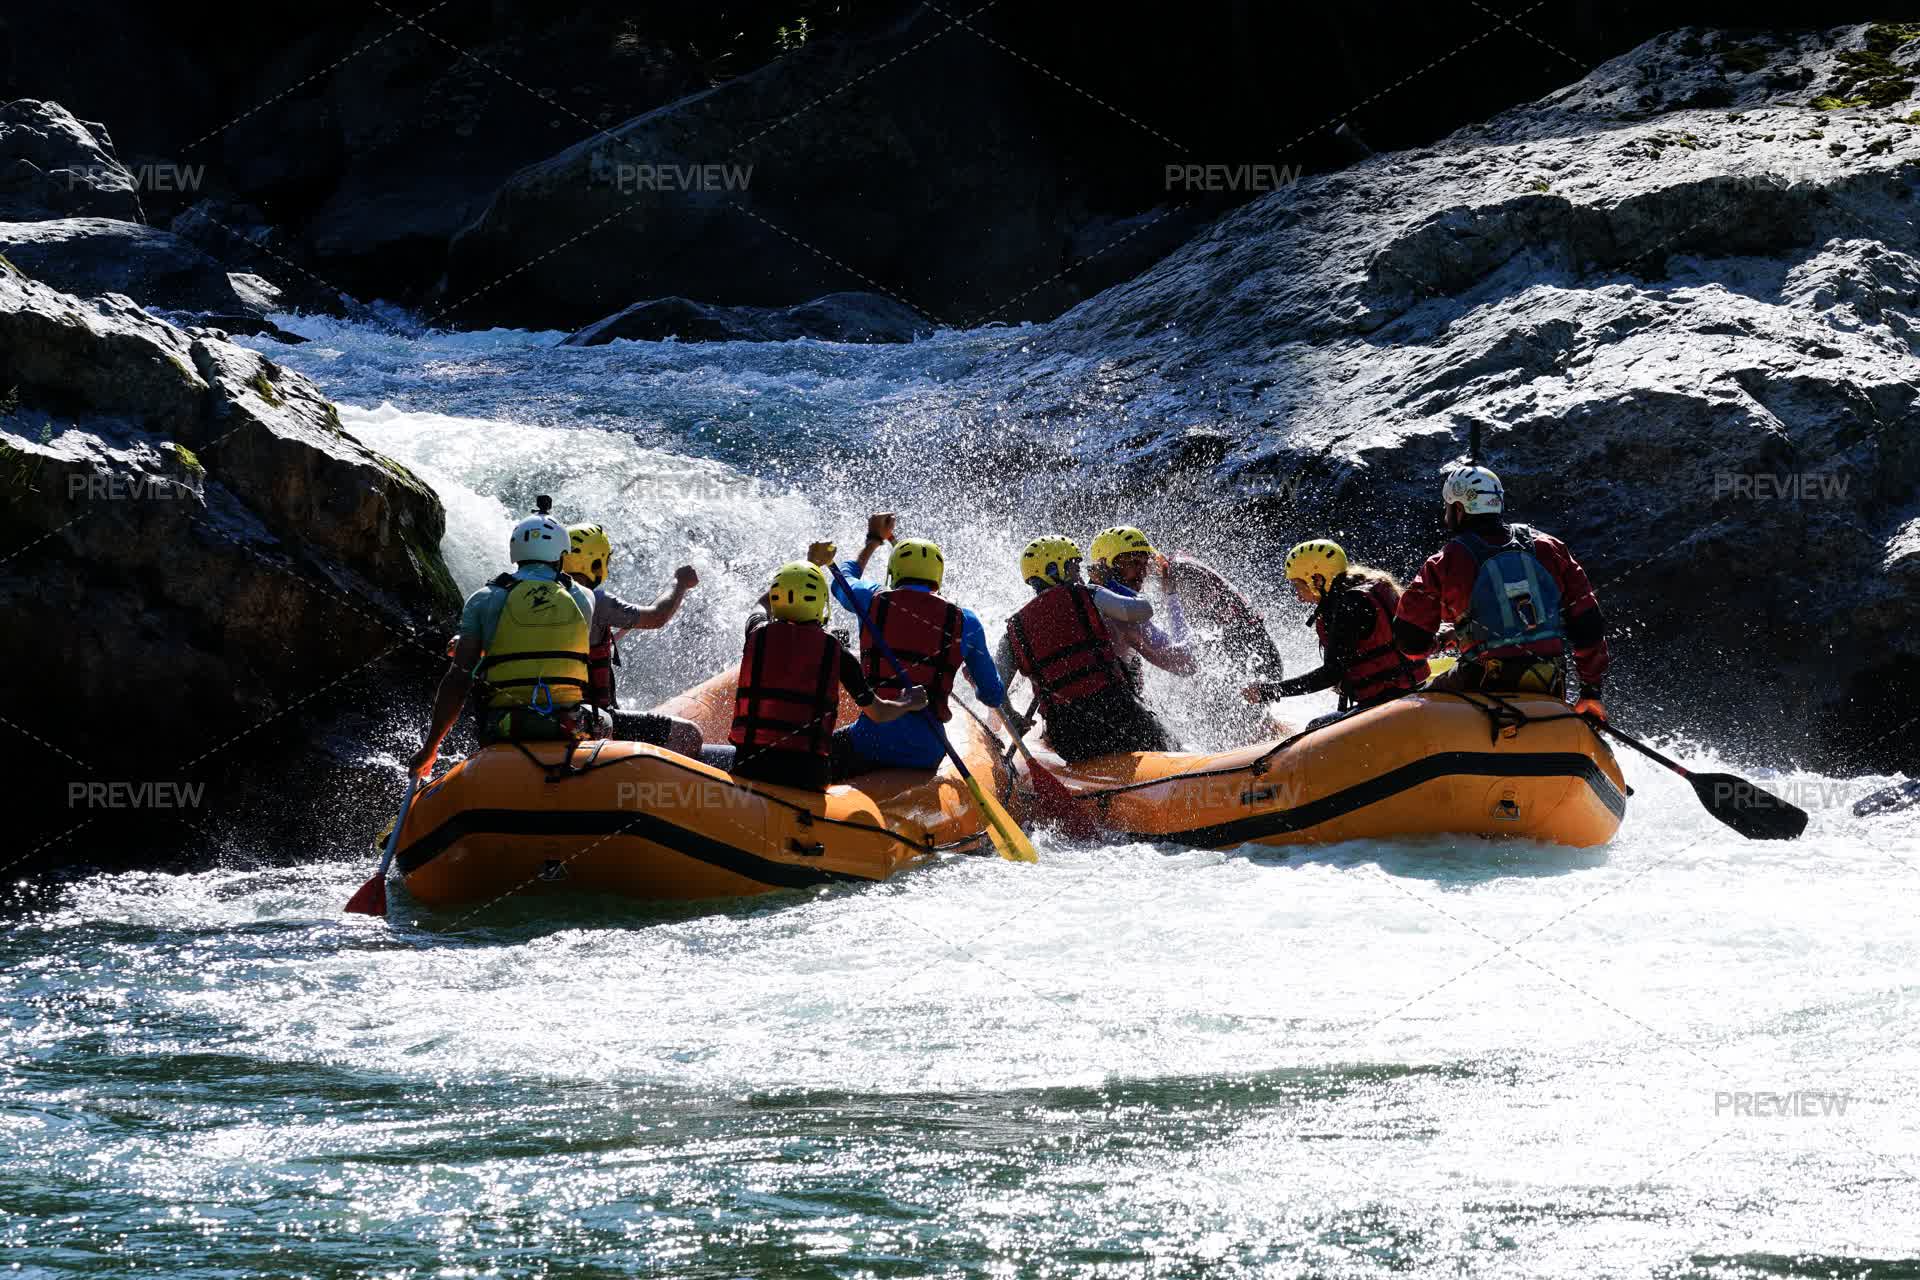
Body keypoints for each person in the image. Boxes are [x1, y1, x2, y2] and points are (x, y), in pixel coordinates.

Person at [1393, 466, 1610, 718]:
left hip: (1478, 683)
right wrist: (1591, 691)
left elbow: (1409, 641)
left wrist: (1438, 642)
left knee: (1413, 705)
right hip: (1549, 683)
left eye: (1448, 506)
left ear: (1459, 509)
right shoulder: (1549, 547)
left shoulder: (1445, 562)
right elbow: (1589, 627)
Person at [410, 500, 600, 773]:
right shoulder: (584, 598)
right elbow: (554, 641)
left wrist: (430, 749)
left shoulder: (483, 599)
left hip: (503, 727)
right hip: (568, 725)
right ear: (561, 554)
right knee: (604, 719)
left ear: (515, 551)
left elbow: (458, 679)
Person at [824, 514, 1007, 778]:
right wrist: (975, 683)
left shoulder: (869, 599)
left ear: (893, 572)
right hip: (927, 750)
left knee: (821, 751)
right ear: (938, 576)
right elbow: (993, 695)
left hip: (870, 741)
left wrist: (873, 541)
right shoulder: (966, 621)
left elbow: (842, 578)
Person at [727, 560, 925, 792]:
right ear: (821, 601)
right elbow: (879, 713)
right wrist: (907, 701)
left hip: (750, 768)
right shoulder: (837, 652)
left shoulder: (755, 632)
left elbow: (760, 605)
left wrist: (797, 574)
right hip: (808, 776)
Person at [995, 534, 1175, 762]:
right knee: (1168, 744)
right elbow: (1143, 610)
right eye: (1073, 567)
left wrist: (1012, 715)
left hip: (1067, 738)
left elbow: (994, 686)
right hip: (1116, 714)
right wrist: (1109, 583)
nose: (1079, 574)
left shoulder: (1014, 629)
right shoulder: (1088, 594)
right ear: (1054, 570)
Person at [1243, 539, 1430, 726]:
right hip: (1411, 688)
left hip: (1391, 699)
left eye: (1298, 586)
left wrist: (1268, 691)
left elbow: (1330, 675)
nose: (1298, 597)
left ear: (1317, 579)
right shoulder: (1365, 589)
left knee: (1315, 727)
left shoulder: (1349, 606)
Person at [560, 522, 703, 757]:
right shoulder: (596, 600)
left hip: (546, 712)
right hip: (588, 718)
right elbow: (658, 616)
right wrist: (679, 583)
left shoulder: (531, 598)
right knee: (688, 735)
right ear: (595, 563)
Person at [1087, 525, 1198, 692]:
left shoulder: (1087, 598)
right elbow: (1187, 663)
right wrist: (1171, 596)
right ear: (1106, 565)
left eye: (1145, 564)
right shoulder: (1121, 614)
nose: (1143, 572)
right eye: (1133, 563)